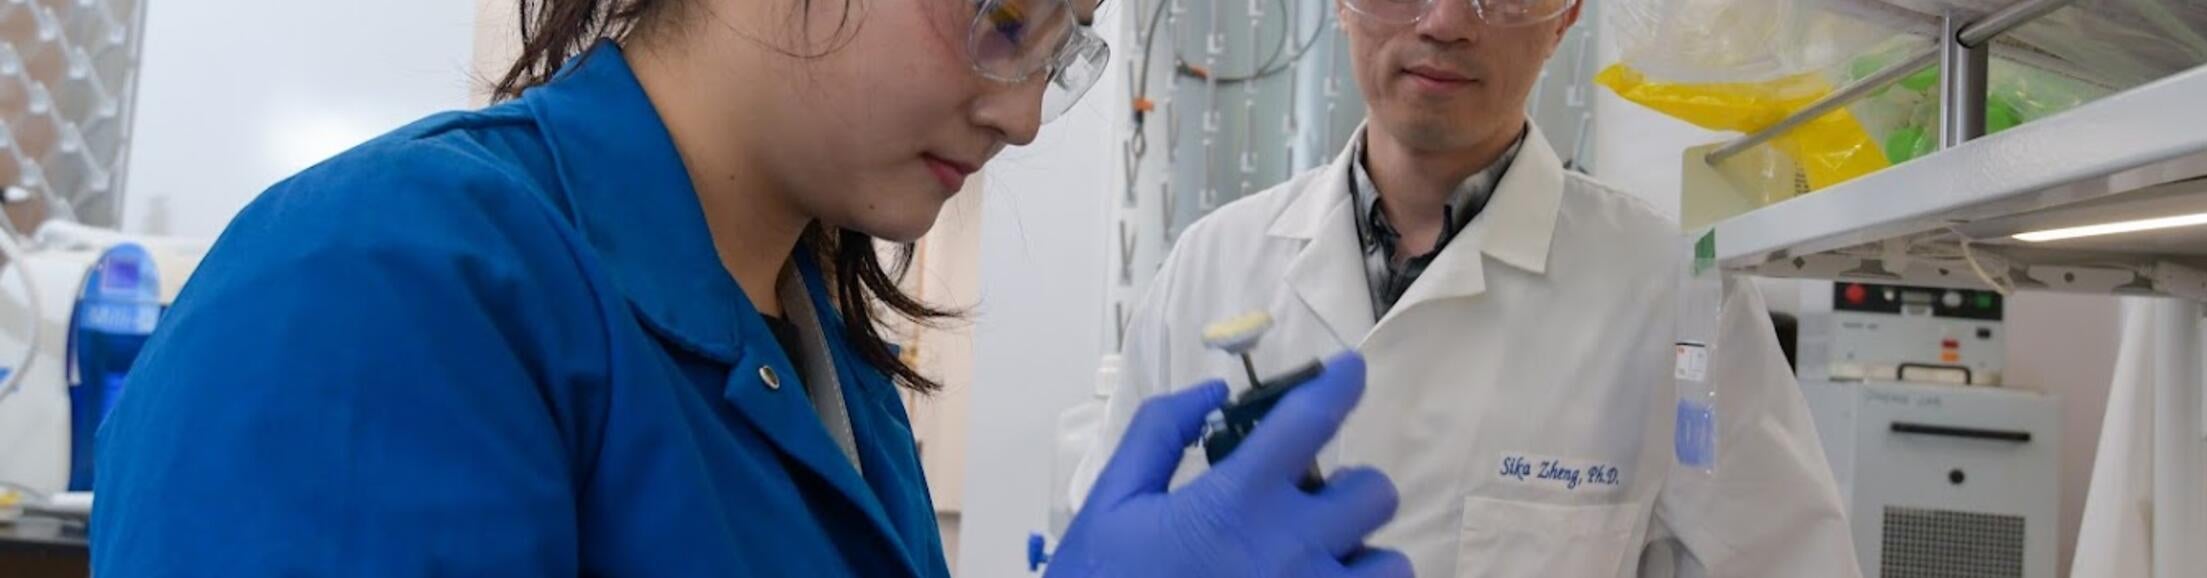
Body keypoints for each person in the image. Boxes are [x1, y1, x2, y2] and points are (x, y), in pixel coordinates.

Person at [89, 1, 1412, 576]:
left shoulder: (828, 364)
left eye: (1060, 51)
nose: (1020, 114)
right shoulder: (375, 289)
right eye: (1003, 16)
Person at [1084, 0, 1859, 576]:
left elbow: (1791, 561)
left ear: (1566, 17)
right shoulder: (1208, 265)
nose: (1448, 20)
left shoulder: (1670, 292)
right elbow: (1101, 538)